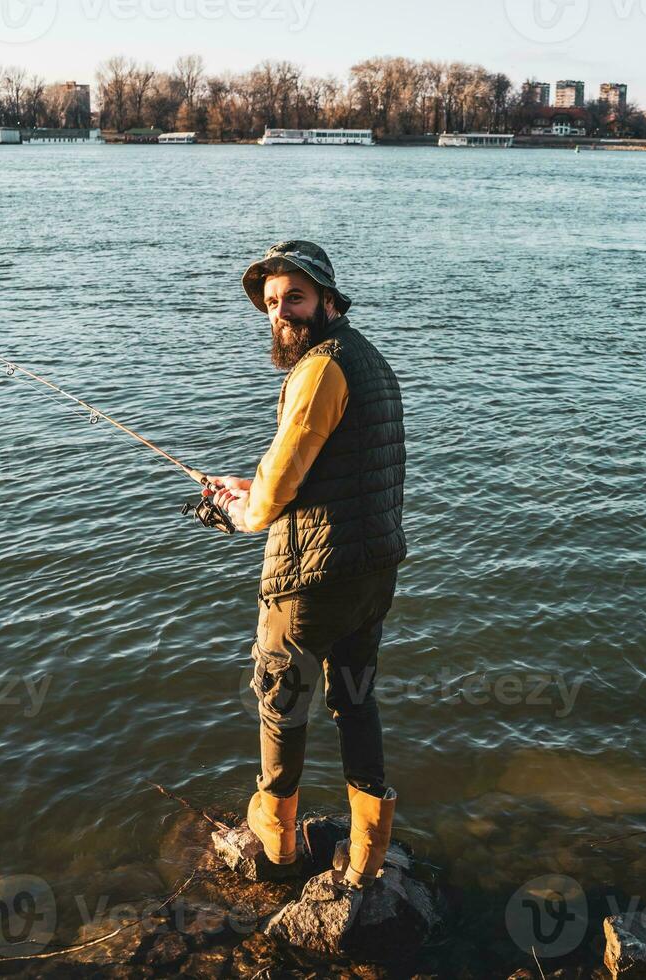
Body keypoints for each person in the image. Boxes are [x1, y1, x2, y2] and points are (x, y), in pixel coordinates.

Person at [204, 241, 407, 890]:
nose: (280, 314)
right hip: (371, 572)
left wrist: (236, 510)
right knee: (354, 701)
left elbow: (268, 505)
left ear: (326, 298)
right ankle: (368, 855)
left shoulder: (319, 370)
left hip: (309, 581)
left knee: (280, 705)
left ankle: (277, 849)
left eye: (294, 297)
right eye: (270, 304)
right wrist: (251, 487)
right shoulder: (369, 360)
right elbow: (322, 468)